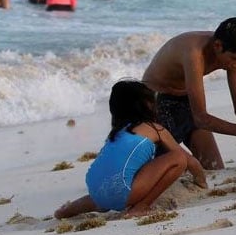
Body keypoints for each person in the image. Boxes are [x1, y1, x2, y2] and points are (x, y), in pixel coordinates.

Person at [54, 80, 206, 219]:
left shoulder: (115, 134)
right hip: (122, 192)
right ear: (147, 106)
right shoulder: (155, 129)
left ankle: (65, 212)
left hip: (95, 189)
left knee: (104, 195)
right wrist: (201, 180)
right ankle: (142, 206)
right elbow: (188, 159)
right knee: (178, 158)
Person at [141, 17, 236, 170]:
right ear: (218, 46)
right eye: (234, 58)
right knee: (154, 169)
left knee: (215, 168)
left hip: (184, 100)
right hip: (153, 102)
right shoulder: (194, 53)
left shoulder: (234, 52)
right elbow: (201, 118)